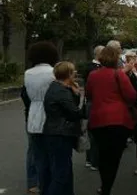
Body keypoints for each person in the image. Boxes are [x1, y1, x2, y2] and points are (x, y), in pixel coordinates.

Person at [86, 46, 137, 195]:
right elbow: (131, 95)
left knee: (103, 154)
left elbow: (89, 95)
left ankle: (104, 185)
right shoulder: (119, 75)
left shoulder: (93, 75)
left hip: (98, 120)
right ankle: (107, 186)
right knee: (114, 157)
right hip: (118, 120)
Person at [41, 61, 86, 195]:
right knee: (61, 173)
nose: (75, 74)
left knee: (63, 169)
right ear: (68, 74)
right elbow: (74, 112)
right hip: (60, 133)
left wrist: (75, 93)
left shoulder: (56, 87)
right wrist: (84, 104)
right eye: (73, 72)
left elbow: (69, 107)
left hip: (54, 131)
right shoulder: (61, 91)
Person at [23, 41, 59, 195]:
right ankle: (50, 184)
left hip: (33, 114)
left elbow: (25, 96)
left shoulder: (28, 73)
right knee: (52, 154)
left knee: (35, 152)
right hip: (51, 116)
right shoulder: (54, 72)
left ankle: (33, 183)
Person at [84, 45, 104, 171]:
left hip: (99, 102)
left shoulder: (101, 67)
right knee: (93, 133)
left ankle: (94, 158)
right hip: (92, 102)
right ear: (98, 54)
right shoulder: (91, 68)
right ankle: (92, 160)